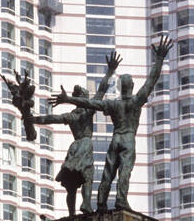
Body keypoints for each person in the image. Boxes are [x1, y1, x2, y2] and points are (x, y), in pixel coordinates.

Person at [54, 36, 172, 210]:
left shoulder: (114, 104)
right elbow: (151, 81)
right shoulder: (136, 100)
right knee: (124, 170)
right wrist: (160, 59)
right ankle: (121, 200)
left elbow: (91, 102)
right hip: (128, 138)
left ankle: (101, 202)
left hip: (116, 138)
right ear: (131, 86)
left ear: (120, 87)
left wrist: (69, 99)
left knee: (108, 171)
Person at [26, 51, 121, 216]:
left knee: (71, 184)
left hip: (74, 147)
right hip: (85, 144)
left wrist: (32, 119)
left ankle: (71, 213)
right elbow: (102, 90)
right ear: (84, 99)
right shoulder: (88, 110)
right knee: (87, 177)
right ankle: (86, 204)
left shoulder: (72, 116)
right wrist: (109, 72)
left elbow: (51, 118)